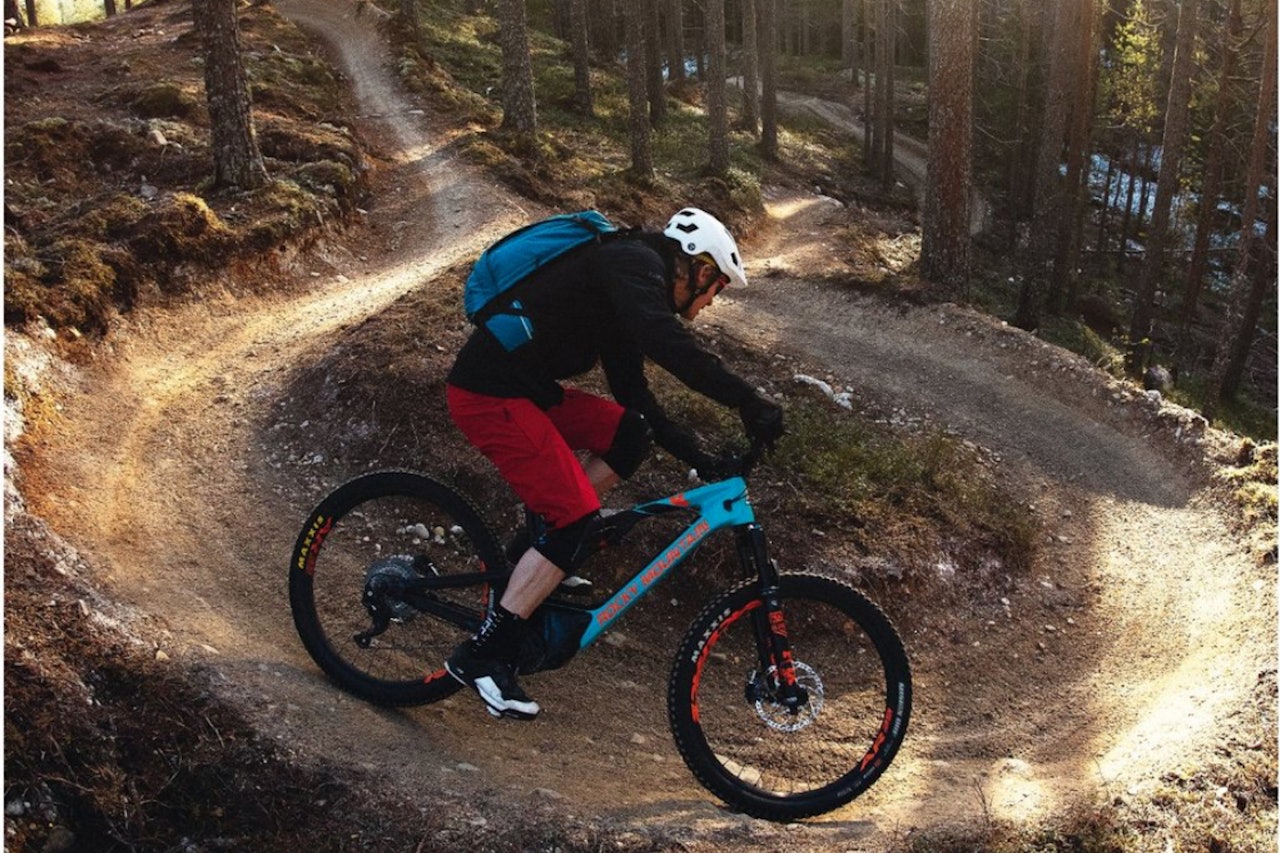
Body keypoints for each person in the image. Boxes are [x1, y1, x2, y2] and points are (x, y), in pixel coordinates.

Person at [444, 207, 784, 720]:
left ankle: (535, 552)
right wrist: (746, 399)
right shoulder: (632, 263)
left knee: (629, 432)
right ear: (698, 269)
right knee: (577, 519)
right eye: (717, 287)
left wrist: (702, 458)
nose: (713, 300)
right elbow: (665, 342)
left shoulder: (628, 289)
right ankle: (486, 654)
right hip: (489, 394)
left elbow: (636, 397)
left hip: (528, 392)